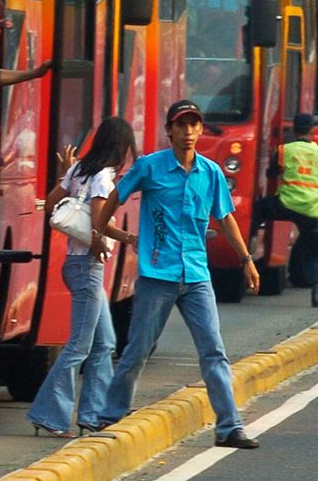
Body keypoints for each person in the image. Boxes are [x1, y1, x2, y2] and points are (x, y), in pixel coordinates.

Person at [89, 99, 263, 450]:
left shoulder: (211, 173)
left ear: (200, 129)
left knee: (214, 351)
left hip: (196, 276)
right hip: (157, 276)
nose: (188, 132)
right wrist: (100, 232)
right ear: (169, 130)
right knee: (137, 350)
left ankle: (230, 426)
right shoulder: (149, 167)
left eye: (194, 125)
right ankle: (110, 415)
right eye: (181, 125)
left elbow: (225, 217)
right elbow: (114, 197)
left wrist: (246, 259)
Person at [27, 119, 138, 438]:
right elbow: (100, 220)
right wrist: (128, 238)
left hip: (74, 263)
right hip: (88, 267)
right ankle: (49, 415)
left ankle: (94, 414)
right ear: (121, 147)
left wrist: (67, 174)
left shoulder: (78, 171)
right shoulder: (103, 177)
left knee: (105, 343)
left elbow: (50, 205)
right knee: (79, 346)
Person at [249, 112, 318, 307]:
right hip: (310, 210)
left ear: (294, 130)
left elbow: (271, 174)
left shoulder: (284, 150)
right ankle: (317, 293)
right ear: (311, 131)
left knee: (258, 209)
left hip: (285, 204)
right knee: (315, 250)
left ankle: (250, 244)